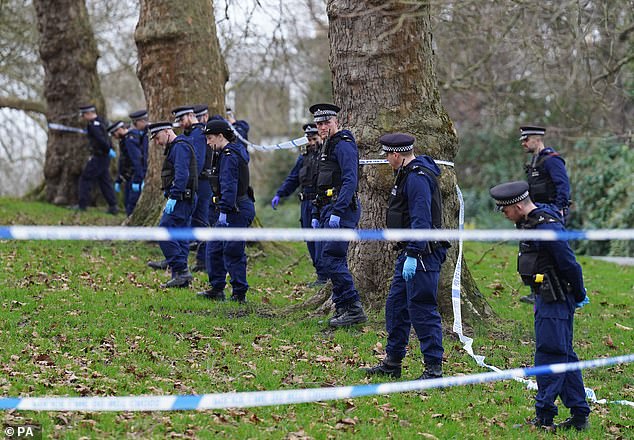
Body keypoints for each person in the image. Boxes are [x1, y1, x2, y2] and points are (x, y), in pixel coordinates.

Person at [489, 180, 590, 432]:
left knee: (549, 356)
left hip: (556, 300)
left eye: (505, 209)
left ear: (518, 206)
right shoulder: (529, 223)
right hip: (545, 298)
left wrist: (578, 294)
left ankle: (544, 416)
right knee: (565, 355)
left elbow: (569, 263)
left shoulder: (546, 225)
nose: (503, 214)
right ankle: (580, 416)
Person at [364, 133, 449, 380]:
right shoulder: (406, 173)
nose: (387, 160)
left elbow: (421, 219)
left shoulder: (417, 178)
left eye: (388, 156)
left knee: (422, 310)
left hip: (422, 254)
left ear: (397, 154)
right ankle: (393, 363)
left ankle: (433, 370)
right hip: (408, 253)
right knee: (396, 307)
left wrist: (414, 252)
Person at [309, 103, 367, 327]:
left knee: (332, 258)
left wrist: (338, 211)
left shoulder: (343, 145)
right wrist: (316, 211)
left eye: (326, 123)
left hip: (340, 210)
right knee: (330, 259)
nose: (323, 127)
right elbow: (322, 181)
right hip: (327, 208)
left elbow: (350, 180)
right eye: (319, 124)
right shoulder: (327, 146)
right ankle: (342, 306)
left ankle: (353, 307)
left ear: (336, 122)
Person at [197, 119, 255, 303]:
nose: (208, 142)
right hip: (224, 208)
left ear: (221, 136)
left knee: (233, 251)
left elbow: (229, 186)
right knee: (213, 249)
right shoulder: (221, 153)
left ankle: (239, 292)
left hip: (235, 209)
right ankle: (217, 288)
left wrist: (224, 211)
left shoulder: (230, 155)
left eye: (210, 138)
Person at [520, 125, 572, 304]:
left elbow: (563, 186)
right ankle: (538, 290)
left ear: (537, 139)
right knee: (535, 253)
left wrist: (558, 209)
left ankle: (562, 287)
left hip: (551, 214)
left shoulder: (551, 160)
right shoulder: (535, 161)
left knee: (551, 254)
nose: (524, 144)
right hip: (537, 213)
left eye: (526, 140)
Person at [271, 123, 326, 285]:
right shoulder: (303, 157)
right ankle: (319, 273)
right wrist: (280, 193)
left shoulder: (325, 156)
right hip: (305, 203)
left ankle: (324, 275)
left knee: (320, 240)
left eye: (314, 139)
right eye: (309, 140)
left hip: (320, 202)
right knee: (309, 239)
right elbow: (293, 178)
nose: (311, 143)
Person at [146, 121, 198, 288]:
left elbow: (182, 175)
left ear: (167, 131)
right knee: (180, 236)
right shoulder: (178, 146)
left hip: (182, 198)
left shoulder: (180, 147)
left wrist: (174, 196)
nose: (157, 142)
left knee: (164, 231)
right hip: (184, 198)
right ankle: (180, 277)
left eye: (158, 137)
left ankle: (180, 270)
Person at [172, 106, 212, 273]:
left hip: (201, 183)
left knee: (201, 221)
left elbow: (198, 162)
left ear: (191, 115)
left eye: (182, 119)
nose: (181, 124)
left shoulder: (198, 133)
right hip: (198, 182)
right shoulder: (192, 133)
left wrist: (189, 184)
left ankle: (203, 261)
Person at [73, 104, 118, 214]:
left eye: (83, 115)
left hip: (99, 156)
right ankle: (113, 206)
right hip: (104, 156)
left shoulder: (93, 125)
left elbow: (101, 140)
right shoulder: (102, 121)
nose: (83, 118)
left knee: (85, 178)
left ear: (89, 114)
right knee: (104, 181)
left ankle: (82, 205)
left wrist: (107, 149)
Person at [109, 121, 145, 216]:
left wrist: (139, 179)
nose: (114, 136)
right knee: (127, 202)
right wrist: (119, 179)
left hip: (135, 176)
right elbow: (123, 161)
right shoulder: (125, 139)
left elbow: (137, 160)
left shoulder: (130, 139)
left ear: (120, 129)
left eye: (114, 133)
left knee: (131, 204)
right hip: (129, 176)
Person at [128, 110, 149, 179]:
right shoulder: (143, 133)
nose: (134, 126)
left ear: (142, 121)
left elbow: (144, 155)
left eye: (135, 123)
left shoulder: (148, 133)